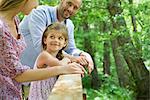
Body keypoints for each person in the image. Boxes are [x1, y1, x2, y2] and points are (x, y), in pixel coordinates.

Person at [0, 0, 84, 99]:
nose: (37, 5)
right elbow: (18, 75)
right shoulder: (2, 27)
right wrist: (63, 68)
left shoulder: (15, 20)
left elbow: (71, 49)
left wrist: (82, 55)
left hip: (15, 91)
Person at [19, 0, 94, 74]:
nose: (70, 9)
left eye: (75, 8)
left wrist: (84, 55)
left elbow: (70, 49)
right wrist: (72, 58)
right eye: (69, 4)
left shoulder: (69, 25)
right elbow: (41, 46)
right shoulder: (39, 13)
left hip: (44, 77)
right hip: (22, 74)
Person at [29, 22, 73, 100]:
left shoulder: (58, 56)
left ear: (64, 43)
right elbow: (62, 66)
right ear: (45, 40)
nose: (56, 40)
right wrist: (67, 59)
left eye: (60, 38)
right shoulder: (44, 55)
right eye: (52, 37)